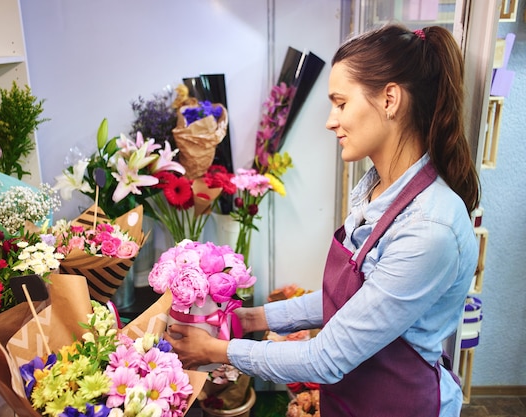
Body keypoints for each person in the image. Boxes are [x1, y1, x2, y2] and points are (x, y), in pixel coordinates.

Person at [166, 23, 480, 417]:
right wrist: (250, 318)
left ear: (390, 100)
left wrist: (216, 350)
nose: (331, 121)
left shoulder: (429, 229)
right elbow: (349, 302)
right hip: (355, 399)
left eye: (341, 103)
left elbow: (327, 357)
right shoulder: (375, 191)